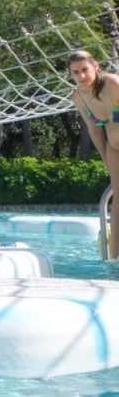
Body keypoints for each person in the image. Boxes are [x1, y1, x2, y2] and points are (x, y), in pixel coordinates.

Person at [69, 49, 119, 258]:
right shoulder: (79, 96)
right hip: (114, 148)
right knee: (118, 199)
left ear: (95, 66)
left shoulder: (113, 84)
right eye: (75, 72)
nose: (81, 76)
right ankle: (115, 258)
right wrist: (105, 159)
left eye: (84, 70)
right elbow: (95, 129)